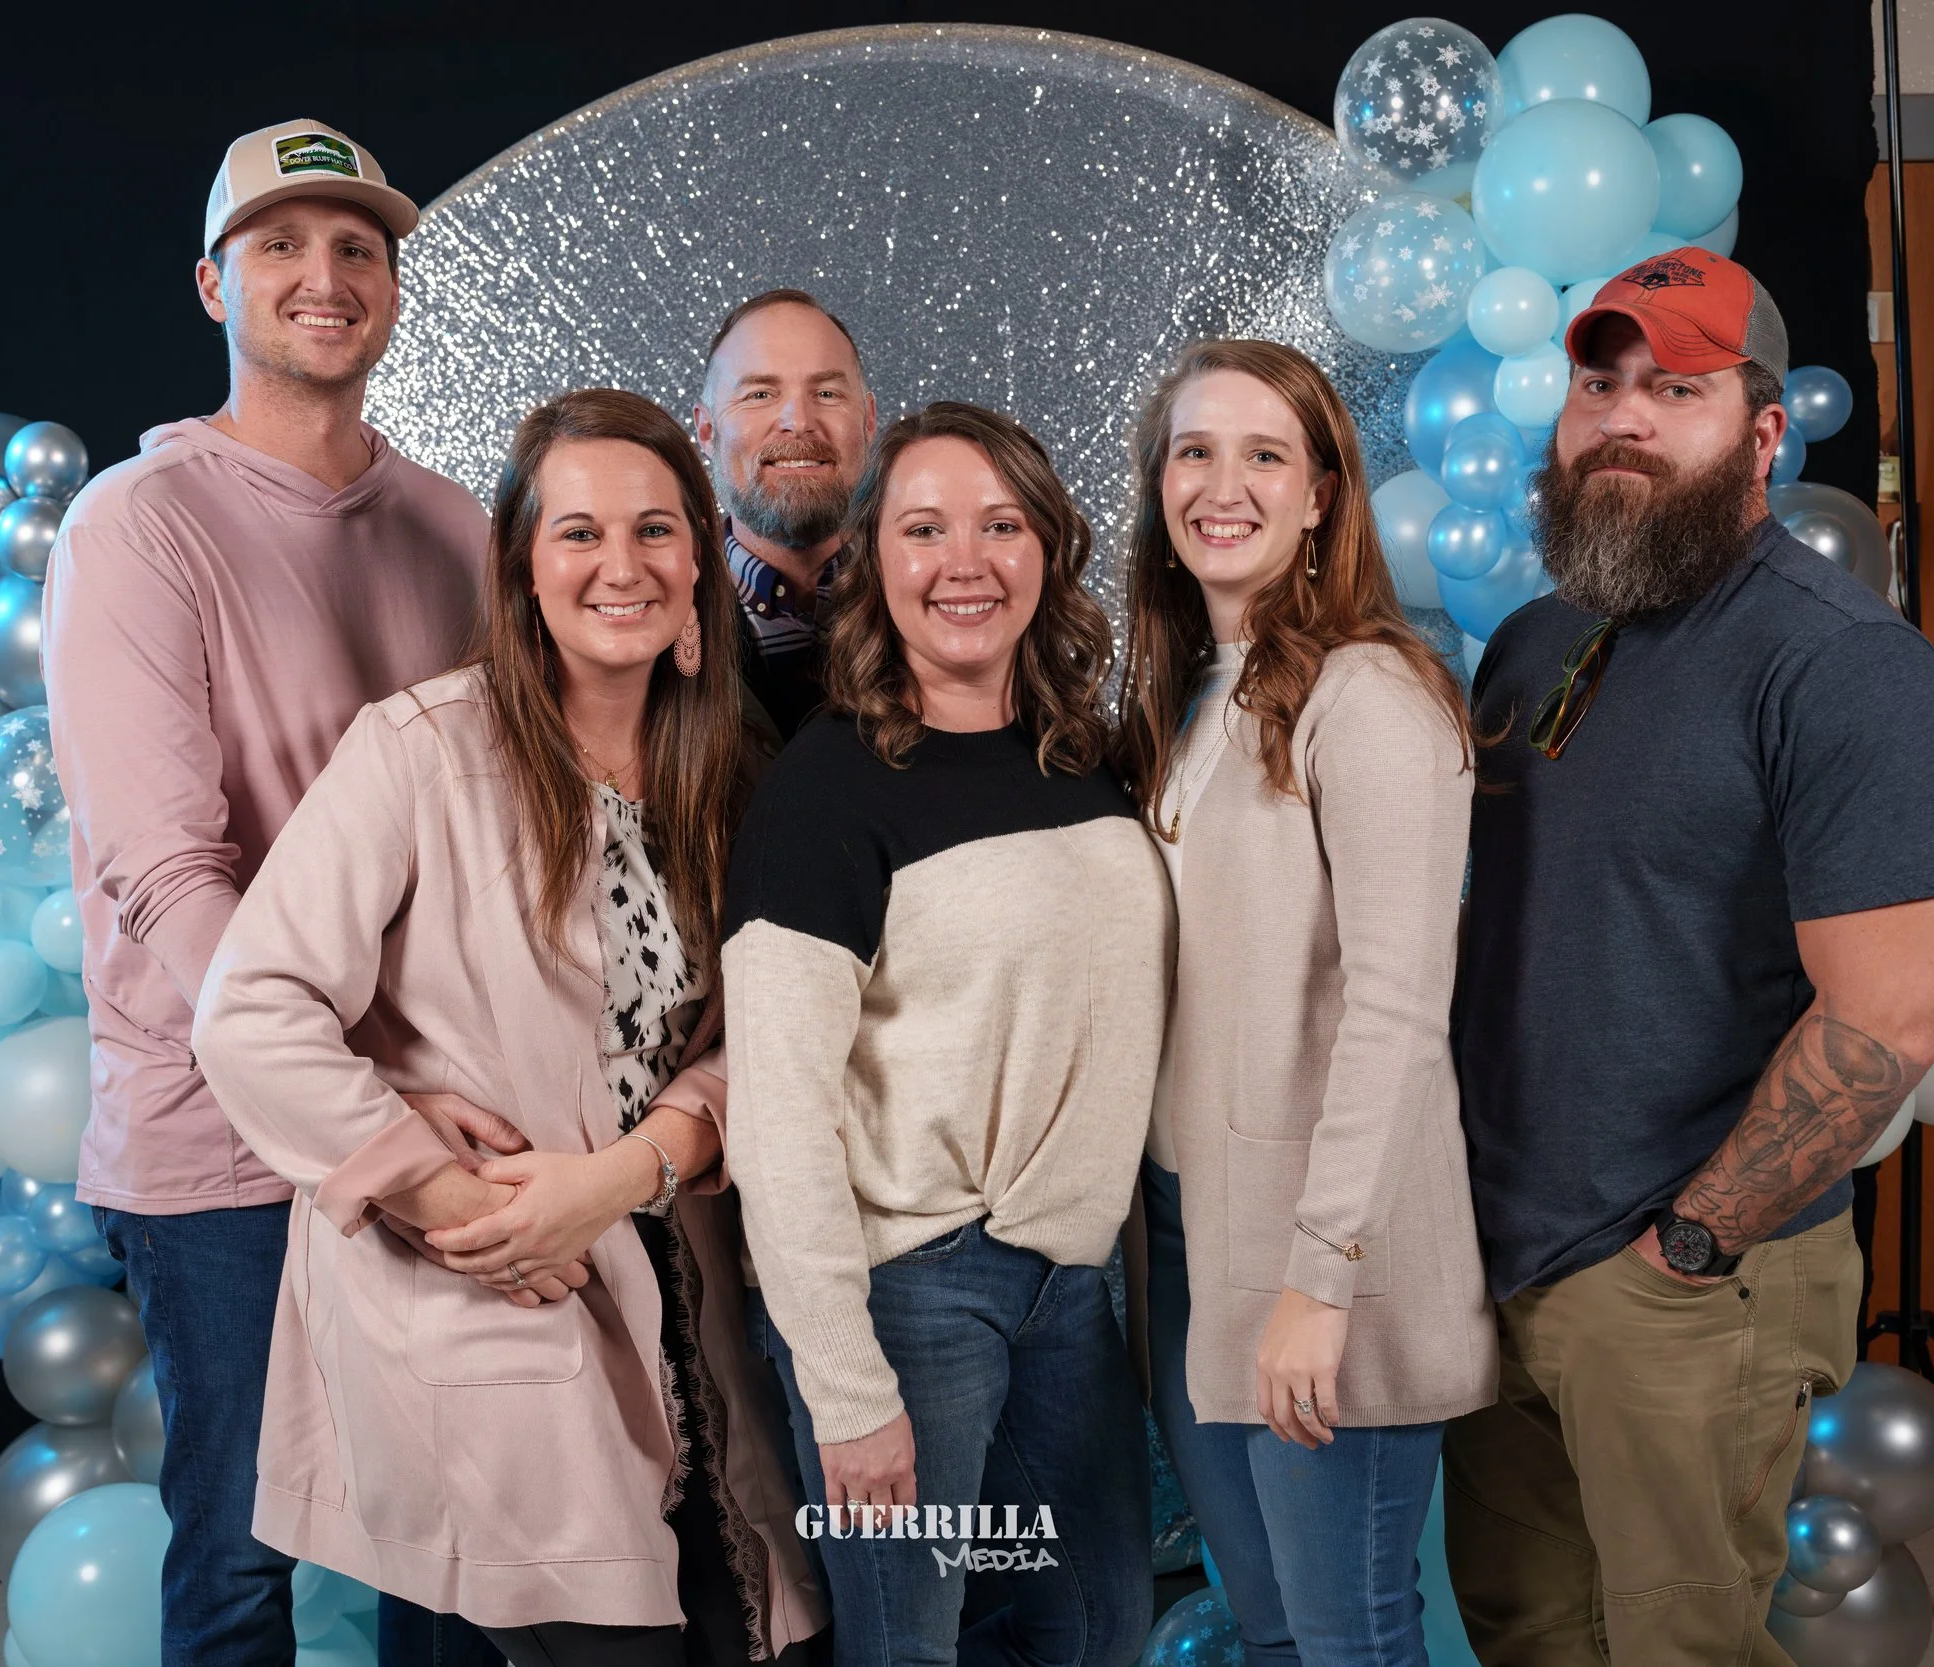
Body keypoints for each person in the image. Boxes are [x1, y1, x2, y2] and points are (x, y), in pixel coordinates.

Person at [189, 388, 826, 1667]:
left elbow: (781, 1022)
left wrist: (639, 1162)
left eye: (655, 530)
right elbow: (249, 1008)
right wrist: (440, 1191)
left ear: (699, 561)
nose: (621, 565)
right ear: (524, 568)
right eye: (578, 532)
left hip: (688, 1269)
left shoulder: (735, 767)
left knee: (768, 1633)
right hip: (497, 1282)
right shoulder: (417, 750)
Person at [1442, 248, 1934, 1665]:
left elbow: (1891, 1022)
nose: (1622, 415)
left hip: (1678, 1288)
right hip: (1499, 1264)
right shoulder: (1544, 639)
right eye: (1598, 382)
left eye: (1674, 386)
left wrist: (1689, 1244)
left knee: (1684, 1649)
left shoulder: (1844, 664)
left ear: (1762, 431)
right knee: (1529, 1632)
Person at [45, 118, 502, 1664]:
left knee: (455, 1551)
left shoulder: (458, 528)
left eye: (359, 246)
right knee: (244, 1558)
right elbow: (173, 878)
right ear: (211, 285)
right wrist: (357, 1108)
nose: (326, 275)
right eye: (282, 245)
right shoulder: (138, 525)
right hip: (229, 1143)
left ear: (392, 287)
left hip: (446, 1117)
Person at [720, 403, 1170, 1667]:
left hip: (1068, 1286)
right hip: (908, 1293)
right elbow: (781, 1112)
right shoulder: (829, 788)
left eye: (1000, 524)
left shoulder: (1083, 757)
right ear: (875, 558)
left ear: (1049, 548)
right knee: (909, 1646)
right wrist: (847, 1385)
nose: (963, 562)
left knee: (1093, 1628)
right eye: (924, 528)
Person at [1117, 339, 1496, 1667]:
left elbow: (1399, 1006)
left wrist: (1319, 1279)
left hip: (1320, 1247)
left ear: (1326, 492)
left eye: (1265, 453)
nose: (1225, 483)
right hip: (1191, 1232)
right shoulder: (1185, 696)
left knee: (1349, 1636)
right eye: (1195, 451)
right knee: (1272, 1625)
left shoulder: (1371, 691)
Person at [694, 289, 878, 739]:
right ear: (705, 428)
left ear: (869, 421)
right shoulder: (652, 615)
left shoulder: (939, 601)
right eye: (759, 394)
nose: (799, 419)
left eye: (827, 392)